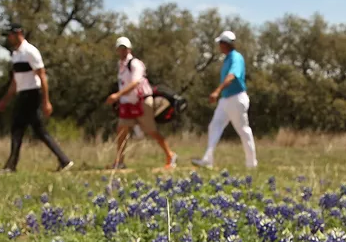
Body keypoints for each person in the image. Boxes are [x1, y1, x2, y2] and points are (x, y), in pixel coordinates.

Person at [0, 23, 74, 173]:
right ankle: (64, 160)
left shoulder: (30, 52)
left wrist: (46, 101)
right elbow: (15, 81)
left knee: (18, 128)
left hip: (32, 93)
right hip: (23, 93)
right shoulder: (15, 54)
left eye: (10, 35)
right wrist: (5, 100)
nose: (9, 38)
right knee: (38, 130)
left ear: (18, 33)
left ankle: (11, 165)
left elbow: (42, 77)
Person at [104, 37, 177, 171]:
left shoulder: (135, 64)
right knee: (121, 130)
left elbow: (135, 83)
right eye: (120, 48)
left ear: (129, 49)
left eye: (124, 48)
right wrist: (120, 99)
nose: (122, 51)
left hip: (142, 101)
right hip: (127, 103)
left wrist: (117, 96)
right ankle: (119, 161)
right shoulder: (120, 65)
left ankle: (170, 155)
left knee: (151, 131)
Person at [192, 30, 257, 170]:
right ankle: (207, 160)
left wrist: (217, 91)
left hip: (236, 98)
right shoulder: (228, 58)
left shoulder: (236, 58)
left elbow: (232, 76)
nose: (219, 46)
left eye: (220, 43)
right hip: (226, 100)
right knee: (214, 126)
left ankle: (251, 164)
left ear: (225, 44)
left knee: (243, 130)